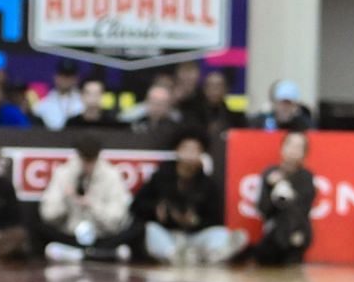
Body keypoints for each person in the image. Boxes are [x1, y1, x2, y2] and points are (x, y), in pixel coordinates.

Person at [135, 129, 245, 264]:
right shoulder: (160, 177)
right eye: (186, 148)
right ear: (177, 150)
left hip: (195, 236)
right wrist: (157, 210)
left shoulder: (207, 183)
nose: (190, 154)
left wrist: (195, 221)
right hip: (169, 234)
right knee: (151, 230)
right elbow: (137, 206)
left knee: (220, 233)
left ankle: (215, 253)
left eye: (195, 149)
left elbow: (217, 218)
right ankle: (173, 255)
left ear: (202, 153)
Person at [38, 134, 135, 263]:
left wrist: (93, 205)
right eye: (84, 160)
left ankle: (83, 254)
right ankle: (98, 255)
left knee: (135, 230)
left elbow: (117, 220)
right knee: (40, 230)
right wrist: (68, 200)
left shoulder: (112, 175)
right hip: (71, 235)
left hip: (102, 237)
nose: (87, 166)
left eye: (91, 161)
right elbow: (48, 215)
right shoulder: (63, 173)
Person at [255, 130, 317, 265]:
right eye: (290, 145)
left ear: (304, 153)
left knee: (293, 227)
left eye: (299, 147)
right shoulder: (269, 174)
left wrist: (285, 191)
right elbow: (263, 208)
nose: (293, 150)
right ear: (282, 147)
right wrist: (271, 187)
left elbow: (303, 209)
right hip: (274, 233)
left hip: (298, 232)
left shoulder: (306, 178)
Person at [182, 69, 238, 138]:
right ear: (204, 89)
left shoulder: (234, 116)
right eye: (211, 85)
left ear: (226, 89)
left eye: (219, 86)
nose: (215, 90)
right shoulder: (192, 112)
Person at [32, 62, 86, 131]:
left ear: (76, 79)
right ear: (56, 77)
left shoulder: (85, 102)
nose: (66, 79)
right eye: (62, 75)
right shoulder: (43, 104)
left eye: (69, 76)